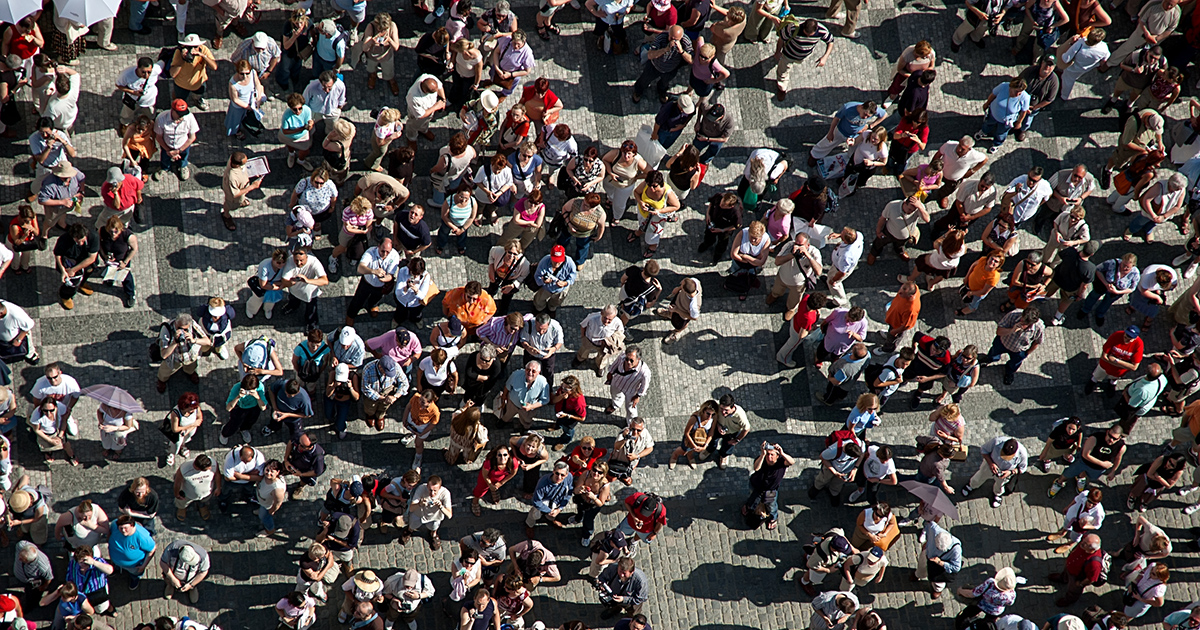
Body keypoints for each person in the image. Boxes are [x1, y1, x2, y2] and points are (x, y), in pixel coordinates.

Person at [774, 19, 835, 101]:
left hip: (803, 56)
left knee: (793, 64)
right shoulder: (793, 28)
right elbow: (782, 39)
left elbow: (830, 41)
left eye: (810, 35)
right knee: (783, 72)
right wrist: (778, 52)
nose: (808, 37)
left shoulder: (822, 31)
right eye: (806, 34)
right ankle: (782, 88)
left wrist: (825, 57)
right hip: (788, 55)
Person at [980, 306, 1044, 385]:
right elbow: (999, 331)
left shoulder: (1039, 327)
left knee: (1014, 364)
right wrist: (1012, 330)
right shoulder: (1013, 315)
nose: (1022, 323)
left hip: (1019, 350)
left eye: (1025, 323)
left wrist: (1026, 353)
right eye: (1022, 320)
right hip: (1002, 342)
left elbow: (1037, 342)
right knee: (994, 352)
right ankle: (989, 359)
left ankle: (1009, 372)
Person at [963, 436, 1029, 507]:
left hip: (1005, 473)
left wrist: (1010, 472)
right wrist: (991, 463)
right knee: (979, 476)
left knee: (1000, 485)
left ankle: (997, 494)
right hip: (989, 466)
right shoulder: (996, 442)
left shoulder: (1022, 454)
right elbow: (984, 450)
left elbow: (1022, 468)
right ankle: (972, 485)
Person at [633, 26, 693, 103]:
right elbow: (650, 55)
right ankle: (638, 91)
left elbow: (691, 60)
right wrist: (665, 50)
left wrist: (681, 51)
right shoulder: (661, 38)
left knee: (664, 83)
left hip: (671, 69)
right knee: (644, 80)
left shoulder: (686, 42)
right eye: (671, 38)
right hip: (655, 66)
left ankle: (661, 92)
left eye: (675, 39)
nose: (672, 41)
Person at [1078, 253, 1140, 326]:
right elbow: (1098, 270)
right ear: (1122, 260)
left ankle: (1100, 314)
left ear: (1133, 266)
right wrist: (1106, 284)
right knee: (1093, 296)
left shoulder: (1135, 273)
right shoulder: (1112, 263)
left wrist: (1117, 292)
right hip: (1102, 285)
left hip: (1116, 292)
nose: (1124, 268)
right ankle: (1085, 309)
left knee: (1107, 303)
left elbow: (1132, 288)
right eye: (1123, 265)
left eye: (1128, 267)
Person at [743, 442, 794, 530]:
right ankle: (748, 507)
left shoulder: (781, 462)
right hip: (756, 486)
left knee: (771, 506)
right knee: (752, 499)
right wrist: (763, 454)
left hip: (771, 490)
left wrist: (782, 453)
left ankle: (773, 518)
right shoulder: (762, 459)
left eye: (772, 455)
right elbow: (756, 468)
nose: (769, 457)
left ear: (777, 456)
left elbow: (791, 462)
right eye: (768, 454)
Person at [977, 78, 1031, 153]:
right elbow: (993, 95)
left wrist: (1019, 122)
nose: (1018, 94)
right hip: (993, 113)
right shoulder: (1003, 86)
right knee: (988, 123)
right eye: (1016, 91)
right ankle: (984, 131)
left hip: (1007, 121)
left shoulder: (1025, 97)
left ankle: (997, 143)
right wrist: (987, 104)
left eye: (1020, 92)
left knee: (1001, 133)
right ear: (1011, 87)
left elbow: (1024, 111)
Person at [1049, 534, 1104, 606]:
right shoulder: (1085, 540)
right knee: (1065, 574)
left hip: (1076, 577)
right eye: (1083, 541)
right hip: (1070, 566)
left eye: (1085, 544)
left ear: (1092, 549)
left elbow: (1091, 579)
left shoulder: (1094, 564)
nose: (1082, 543)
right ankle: (1062, 578)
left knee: (1073, 591)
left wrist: (1080, 584)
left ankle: (1069, 600)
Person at [154, 99, 200, 181]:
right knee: (165, 157)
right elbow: (159, 137)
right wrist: (168, 150)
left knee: (184, 157)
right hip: (167, 144)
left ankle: (183, 166)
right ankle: (165, 168)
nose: (181, 117)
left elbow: (192, 137)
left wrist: (179, 151)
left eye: (183, 114)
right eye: (179, 114)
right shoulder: (161, 118)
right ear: (172, 110)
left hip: (183, 145)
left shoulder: (189, 117)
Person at [107, 515, 156, 589]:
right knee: (116, 566)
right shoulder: (114, 525)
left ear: (132, 525)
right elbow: (110, 533)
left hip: (133, 566)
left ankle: (134, 579)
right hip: (115, 559)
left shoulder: (142, 537)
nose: (123, 530)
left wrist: (143, 566)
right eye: (121, 528)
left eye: (125, 528)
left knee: (134, 574)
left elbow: (152, 550)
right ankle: (116, 569)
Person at [407, 476, 453, 550]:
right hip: (419, 514)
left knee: (434, 527)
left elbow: (449, 515)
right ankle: (409, 531)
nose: (432, 493)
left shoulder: (445, 493)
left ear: (440, 488)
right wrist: (419, 504)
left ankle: (433, 535)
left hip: (434, 517)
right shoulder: (421, 488)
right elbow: (411, 508)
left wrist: (441, 507)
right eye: (430, 490)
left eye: (435, 491)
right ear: (427, 486)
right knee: (412, 525)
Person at [915, 526, 962, 598]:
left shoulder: (956, 550)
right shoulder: (934, 528)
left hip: (939, 566)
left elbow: (956, 567)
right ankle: (918, 575)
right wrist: (927, 543)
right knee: (921, 568)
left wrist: (940, 562)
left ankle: (937, 590)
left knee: (938, 581)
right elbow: (927, 525)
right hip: (927, 555)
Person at [158, 540, 208, 604]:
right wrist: (173, 579)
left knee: (193, 589)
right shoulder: (171, 549)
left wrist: (191, 585)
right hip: (173, 575)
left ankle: (192, 588)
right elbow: (163, 562)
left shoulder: (203, 556)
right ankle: (170, 585)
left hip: (191, 579)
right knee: (168, 579)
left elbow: (203, 572)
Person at [173, 453, 219, 521]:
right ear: (197, 468)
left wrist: (218, 487)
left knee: (204, 501)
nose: (211, 468)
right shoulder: (184, 469)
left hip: (206, 493)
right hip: (187, 494)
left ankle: (201, 506)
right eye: (207, 468)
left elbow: (217, 474)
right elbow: (177, 482)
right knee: (182, 502)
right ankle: (182, 508)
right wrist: (177, 494)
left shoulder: (213, 464)